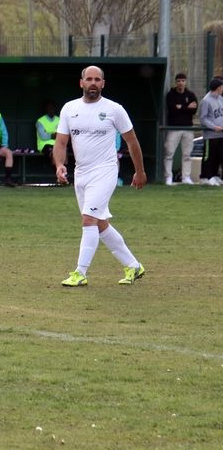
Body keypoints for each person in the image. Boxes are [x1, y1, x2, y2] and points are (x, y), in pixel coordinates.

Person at [54, 65, 146, 287]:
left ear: (103, 84)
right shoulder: (69, 108)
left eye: (97, 79)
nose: (93, 83)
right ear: (81, 82)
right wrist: (59, 165)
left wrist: (140, 171)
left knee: (89, 219)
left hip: (105, 171)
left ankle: (80, 273)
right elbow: (61, 142)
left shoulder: (115, 109)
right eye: (89, 79)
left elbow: (132, 141)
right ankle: (134, 266)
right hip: (81, 173)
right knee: (100, 224)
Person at [164, 73, 198, 185]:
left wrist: (181, 107)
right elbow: (173, 109)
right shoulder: (171, 94)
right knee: (169, 153)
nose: (181, 83)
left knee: (187, 154)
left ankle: (186, 177)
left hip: (188, 128)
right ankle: (168, 177)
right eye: (178, 81)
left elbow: (194, 109)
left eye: (183, 80)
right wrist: (186, 107)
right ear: (176, 82)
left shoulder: (191, 94)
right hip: (174, 128)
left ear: (185, 82)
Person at [198, 77, 223, 186]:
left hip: (221, 134)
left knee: (219, 156)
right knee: (209, 157)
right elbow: (203, 118)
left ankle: (215, 175)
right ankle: (206, 177)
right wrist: (214, 127)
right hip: (211, 135)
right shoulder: (206, 100)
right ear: (218, 88)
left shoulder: (220, 99)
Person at [35, 101, 59, 168]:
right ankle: (58, 173)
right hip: (44, 145)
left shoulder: (59, 119)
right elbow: (43, 136)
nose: (51, 109)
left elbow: (61, 135)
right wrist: (52, 135)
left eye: (52, 108)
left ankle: (62, 173)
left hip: (57, 144)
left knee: (63, 150)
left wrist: (49, 133)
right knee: (54, 152)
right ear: (45, 109)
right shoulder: (40, 121)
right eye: (49, 108)